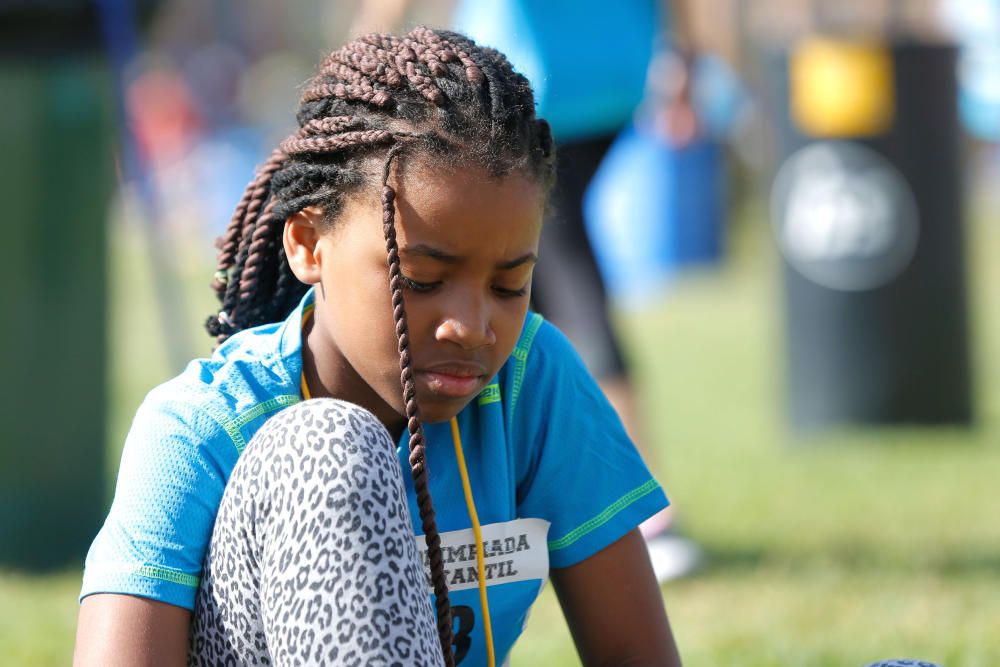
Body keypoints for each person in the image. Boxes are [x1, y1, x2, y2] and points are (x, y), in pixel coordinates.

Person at [73, 27, 682, 666]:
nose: (472, 327)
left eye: (510, 284)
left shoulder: (530, 378)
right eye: (420, 279)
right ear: (309, 244)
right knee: (332, 446)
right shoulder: (198, 427)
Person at [453, 0, 702, 582]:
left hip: (530, 82)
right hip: (619, 73)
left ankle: (642, 510)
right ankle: (516, 504)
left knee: (554, 261)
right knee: (530, 284)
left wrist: (366, 39)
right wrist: (685, 61)